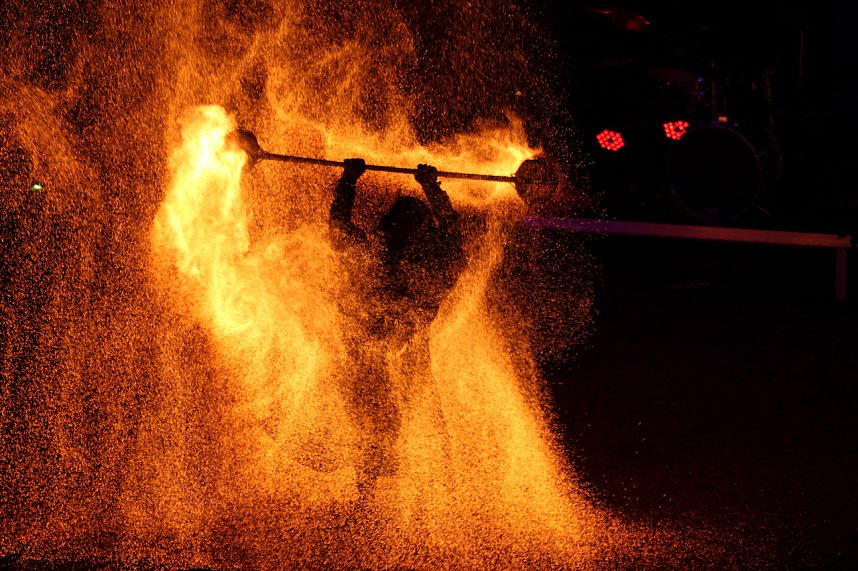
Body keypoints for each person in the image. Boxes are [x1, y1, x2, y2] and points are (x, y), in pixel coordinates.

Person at [328, 158, 464, 505]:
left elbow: (340, 224)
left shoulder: (417, 258)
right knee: (376, 418)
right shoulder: (378, 255)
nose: (403, 232)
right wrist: (431, 188)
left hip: (397, 348)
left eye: (408, 225)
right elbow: (450, 228)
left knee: (404, 414)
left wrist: (349, 180)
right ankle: (370, 493)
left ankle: (421, 490)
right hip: (378, 349)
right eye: (400, 225)